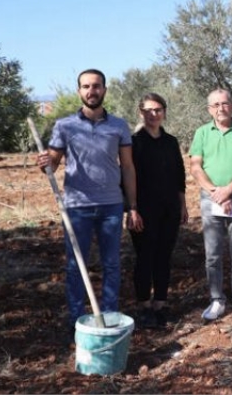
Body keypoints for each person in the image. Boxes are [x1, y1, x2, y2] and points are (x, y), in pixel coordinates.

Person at [36, 69, 138, 332]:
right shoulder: (64, 126)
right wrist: (46, 162)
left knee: (112, 264)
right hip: (76, 206)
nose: (91, 91)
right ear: (79, 91)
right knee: (74, 266)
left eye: (96, 86)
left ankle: (109, 317)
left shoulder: (119, 126)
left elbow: (127, 167)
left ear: (104, 89)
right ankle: (77, 321)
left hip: (111, 206)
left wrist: (133, 206)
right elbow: (54, 162)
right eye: (86, 86)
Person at [189, 89, 232, 322]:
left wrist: (228, 190)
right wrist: (215, 191)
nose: (220, 108)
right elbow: (196, 166)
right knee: (213, 254)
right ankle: (217, 300)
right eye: (215, 105)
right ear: (209, 109)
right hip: (211, 200)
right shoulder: (202, 133)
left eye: (225, 103)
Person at [128, 93, 189, 328]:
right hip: (143, 211)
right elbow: (127, 178)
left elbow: (179, 176)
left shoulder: (171, 141)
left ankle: (160, 304)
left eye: (158, 110)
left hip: (169, 210)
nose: (154, 114)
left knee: (164, 257)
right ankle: (143, 306)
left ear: (164, 112)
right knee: (145, 258)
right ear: (141, 112)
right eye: (149, 110)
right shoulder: (134, 142)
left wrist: (183, 205)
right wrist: (132, 210)